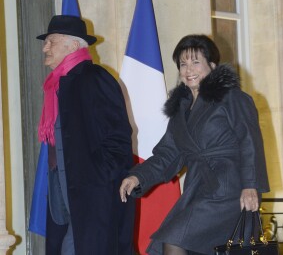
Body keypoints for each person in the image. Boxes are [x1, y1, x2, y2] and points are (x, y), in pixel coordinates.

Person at [119, 34, 270, 255]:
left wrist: (251, 185)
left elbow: (250, 141)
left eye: (196, 62)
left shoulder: (232, 97)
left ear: (212, 65)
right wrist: (138, 176)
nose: (188, 69)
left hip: (230, 189)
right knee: (179, 243)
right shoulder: (181, 110)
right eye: (183, 63)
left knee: (173, 240)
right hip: (198, 188)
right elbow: (168, 154)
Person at [33, 15, 135, 255]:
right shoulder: (56, 85)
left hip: (92, 198)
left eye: (52, 41)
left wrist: (98, 179)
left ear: (74, 45)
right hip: (64, 199)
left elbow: (119, 138)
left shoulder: (95, 78)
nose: (45, 48)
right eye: (46, 42)